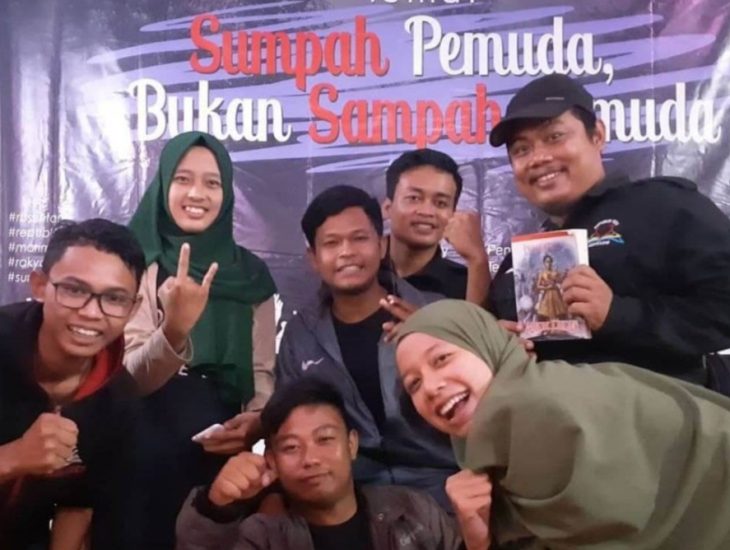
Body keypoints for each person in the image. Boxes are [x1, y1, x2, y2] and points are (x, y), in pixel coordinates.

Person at [396, 300, 730, 550]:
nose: (431, 386)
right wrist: (476, 531)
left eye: (442, 358)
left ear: (486, 346)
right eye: (414, 384)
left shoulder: (539, 414)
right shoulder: (492, 436)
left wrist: (478, 538)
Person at [487, 73, 730, 383]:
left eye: (554, 136)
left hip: (651, 408)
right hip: (546, 409)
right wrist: (501, 343)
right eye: (521, 149)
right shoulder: (519, 258)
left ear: (597, 135)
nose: (538, 158)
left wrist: (618, 314)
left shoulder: (663, 206)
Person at [124, 131, 277, 547]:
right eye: (182, 179)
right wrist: (174, 329)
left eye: (212, 182)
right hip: (142, 449)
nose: (197, 193)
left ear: (226, 194)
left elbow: (262, 372)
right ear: (163, 186)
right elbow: (129, 378)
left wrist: (256, 421)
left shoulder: (251, 276)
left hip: (223, 455)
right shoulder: (138, 261)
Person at [276, 185, 458, 509]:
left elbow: (485, 407)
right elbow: (291, 420)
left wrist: (435, 337)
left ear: (381, 245)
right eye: (331, 243)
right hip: (351, 500)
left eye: (359, 238)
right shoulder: (300, 335)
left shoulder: (436, 312)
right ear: (313, 259)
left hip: (446, 488)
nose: (346, 252)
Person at [176, 378, 467, 550]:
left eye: (325, 439)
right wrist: (215, 506)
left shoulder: (413, 511)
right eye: (291, 447)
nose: (311, 458)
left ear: (352, 445)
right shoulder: (262, 537)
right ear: (271, 460)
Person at [0, 219, 145, 549]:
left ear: (133, 308)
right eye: (75, 290)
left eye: (114, 298)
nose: (92, 313)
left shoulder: (119, 399)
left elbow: (77, 506)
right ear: (40, 286)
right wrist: (14, 457)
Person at [383, 149, 490, 304]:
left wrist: (477, 261)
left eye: (441, 203)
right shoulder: (361, 272)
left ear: (453, 214)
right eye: (414, 198)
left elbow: (479, 320)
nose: (427, 212)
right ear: (387, 207)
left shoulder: (468, 284)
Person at [534, 254, 567, 321]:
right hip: (547, 295)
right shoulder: (542, 274)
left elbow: (560, 282)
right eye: (547, 262)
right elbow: (538, 286)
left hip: (556, 294)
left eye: (550, 262)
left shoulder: (555, 273)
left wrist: (557, 283)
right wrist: (546, 288)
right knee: (547, 313)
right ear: (544, 263)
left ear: (552, 263)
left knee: (557, 312)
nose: (548, 264)